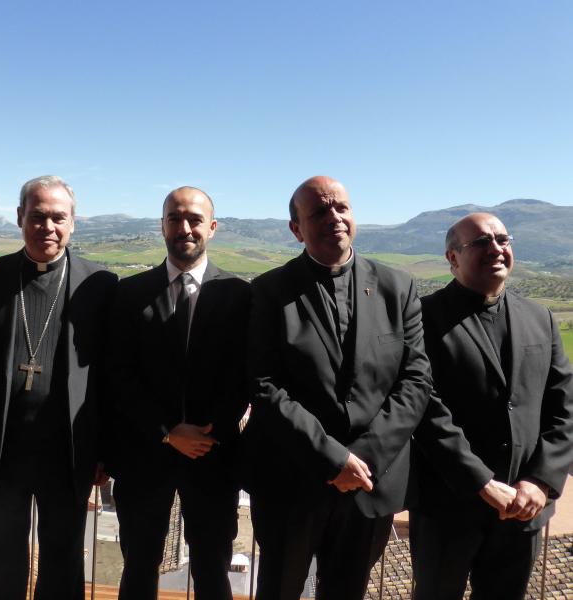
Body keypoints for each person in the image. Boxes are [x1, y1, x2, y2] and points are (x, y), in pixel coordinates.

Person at [242, 175, 432, 600]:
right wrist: (332, 458)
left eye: (341, 208)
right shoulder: (270, 291)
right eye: (319, 212)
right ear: (296, 229)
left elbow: (416, 379)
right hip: (291, 479)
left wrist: (362, 458)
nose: (334, 218)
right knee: (278, 589)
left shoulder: (397, 287)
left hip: (369, 482)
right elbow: (265, 385)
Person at [0, 175, 117, 599]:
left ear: (73, 223)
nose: (48, 226)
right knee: (1, 564)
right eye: (37, 216)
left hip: (68, 452)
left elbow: (110, 379)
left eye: (59, 217)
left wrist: (105, 454)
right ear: (19, 217)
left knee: (62, 565)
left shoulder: (101, 285)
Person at [409, 212, 573, 600]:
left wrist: (541, 480)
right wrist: (480, 482)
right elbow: (424, 409)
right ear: (452, 258)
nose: (496, 248)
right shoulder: (422, 318)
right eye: (481, 242)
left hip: (523, 508)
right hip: (448, 508)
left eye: (503, 239)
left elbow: (563, 402)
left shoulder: (540, 317)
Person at [108, 186, 249, 599]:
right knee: (138, 568)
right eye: (175, 218)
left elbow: (244, 375)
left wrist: (207, 433)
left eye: (194, 219)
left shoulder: (239, 295)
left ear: (213, 227)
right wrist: (167, 431)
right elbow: (119, 374)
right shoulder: (129, 294)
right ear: (162, 226)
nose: (184, 227)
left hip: (214, 456)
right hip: (143, 455)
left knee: (213, 570)